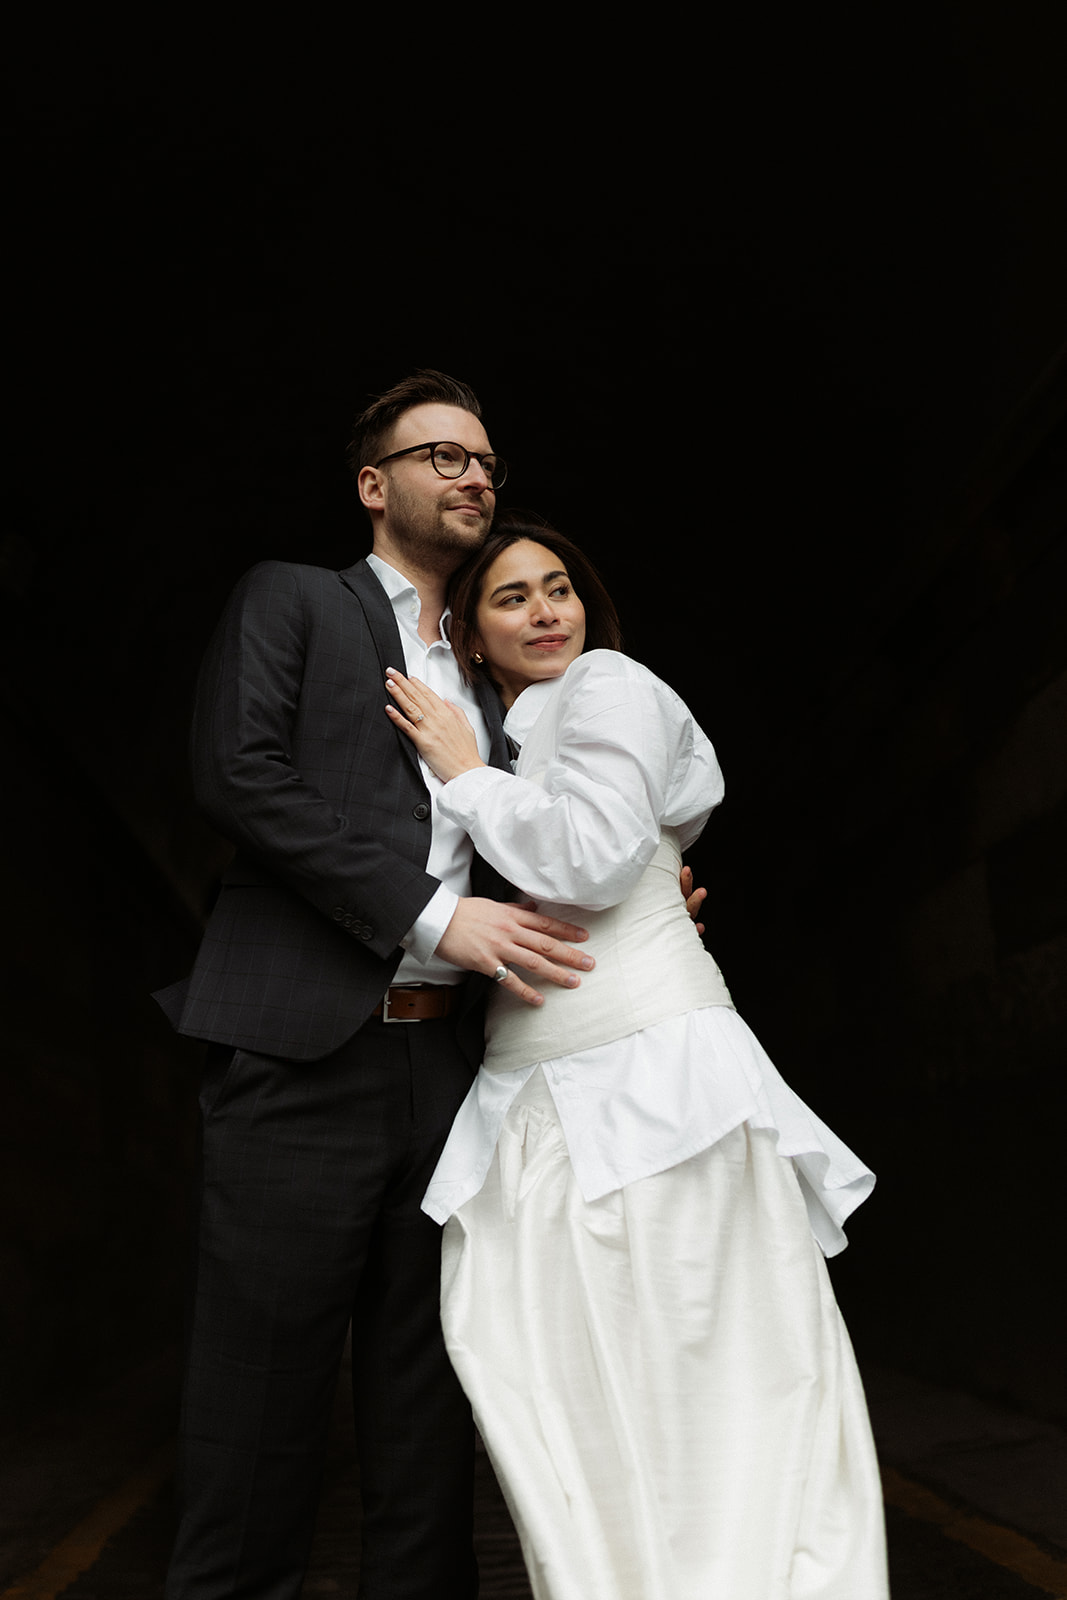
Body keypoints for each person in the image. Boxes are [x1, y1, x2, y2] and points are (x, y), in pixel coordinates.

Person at [384, 519, 891, 1599]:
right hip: (537, 1086)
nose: (545, 611)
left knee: (702, 1381)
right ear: (468, 637)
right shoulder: (515, 735)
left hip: (650, 1084)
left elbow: (598, 855)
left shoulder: (605, 682)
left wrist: (466, 777)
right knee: (574, 1399)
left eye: (558, 588)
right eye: (512, 597)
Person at [154, 373, 598, 1600]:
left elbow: (546, 836)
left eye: (486, 462)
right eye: (442, 455)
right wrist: (432, 914)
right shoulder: (294, 599)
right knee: (259, 1409)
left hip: (455, 1072)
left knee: (429, 1412)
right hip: (303, 1055)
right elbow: (238, 771)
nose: (473, 476)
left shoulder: (502, 667)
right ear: (372, 484)